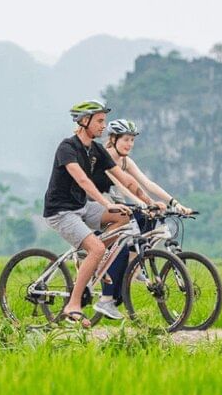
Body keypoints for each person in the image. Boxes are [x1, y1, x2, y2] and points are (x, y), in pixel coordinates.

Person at [43, 100, 160, 327]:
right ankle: (73, 305)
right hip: (61, 211)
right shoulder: (67, 147)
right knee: (97, 247)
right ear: (84, 121)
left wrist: (150, 202)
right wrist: (107, 204)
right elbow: (82, 180)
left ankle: (95, 260)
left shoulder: (96, 150)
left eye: (104, 121)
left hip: (82, 207)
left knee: (124, 218)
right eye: (99, 121)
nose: (103, 126)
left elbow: (126, 179)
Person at [87, 119, 192, 316]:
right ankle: (108, 296)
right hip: (96, 206)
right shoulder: (104, 157)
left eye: (132, 140)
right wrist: (143, 204)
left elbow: (147, 183)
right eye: (126, 139)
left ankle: (134, 264)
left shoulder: (125, 161)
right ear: (113, 139)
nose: (130, 144)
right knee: (127, 234)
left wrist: (175, 203)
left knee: (148, 220)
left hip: (114, 205)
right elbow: (124, 186)